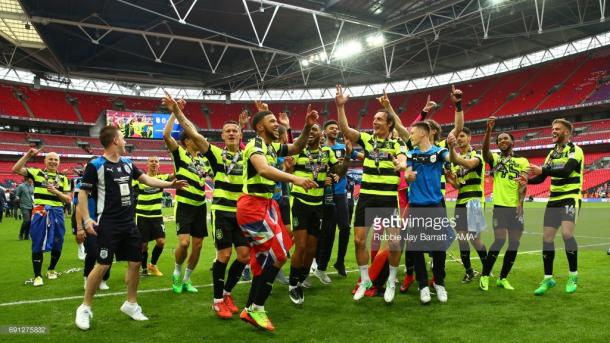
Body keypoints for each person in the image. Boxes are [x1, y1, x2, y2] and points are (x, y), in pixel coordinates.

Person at [74, 125, 187, 330]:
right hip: (108, 224)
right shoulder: (96, 165)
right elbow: (83, 194)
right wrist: (87, 220)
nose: (126, 141)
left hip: (129, 224)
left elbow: (145, 179)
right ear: (115, 141)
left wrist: (170, 185)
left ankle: (131, 304)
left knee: (135, 264)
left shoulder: (127, 163)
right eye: (123, 138)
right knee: (102, 266)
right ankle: (84, 307)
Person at [163, 92, 249, 320]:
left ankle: (227, 293)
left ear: (240, 134)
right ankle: (217, 300)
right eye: (227, 131)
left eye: (235, 131)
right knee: (224, 255)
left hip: (241, 212)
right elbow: (191, 132)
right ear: (221, 135)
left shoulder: (248, 154)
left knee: (244, 256)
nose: (231, 133)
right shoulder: (215, 154)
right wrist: (177, 111)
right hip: (221, 211)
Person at [237, 104, 318, 331]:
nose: (278, 124)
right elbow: (263, 170)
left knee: (271, 257)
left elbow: (297, 146)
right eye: (273, 121)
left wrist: (308, 125)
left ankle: (250, 308)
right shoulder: (255, 145)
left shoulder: (272, 147)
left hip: (267, 205)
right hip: (253, 206)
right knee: (279, 254)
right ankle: (256, 308)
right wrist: (296, 179)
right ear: (260, 126)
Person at [335, 85, 408, 303]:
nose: (374, 121)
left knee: (394, 242)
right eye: (374, 118)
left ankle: (391, 281)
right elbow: (346, 130)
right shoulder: (367, 140)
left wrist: (400, 164)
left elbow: (403, 160)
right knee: (358, 241)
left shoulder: (397, 143)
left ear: (389, 124)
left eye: (379, 119)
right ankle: (366, 280)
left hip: (387, 198)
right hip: (366, 196)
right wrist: (340, 107)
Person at [285, 122, 348, 304]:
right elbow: (287, 172)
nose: (311, 133)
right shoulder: (297, 151)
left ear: (321, 135)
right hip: (300, 203)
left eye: (314, 130)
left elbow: (339, 171)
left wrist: (347, 158)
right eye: (308, 130)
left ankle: (303, 275)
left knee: (313, 248)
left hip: (318, 205)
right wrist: (289, 168)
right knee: (302, 246)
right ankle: (293, 283)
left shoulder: (327, 153)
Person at [527, 119, 584, 295]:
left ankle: (573, 275)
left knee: (567, 234)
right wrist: (526, 180)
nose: (553, 131)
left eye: (557, 129)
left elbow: (566, 171)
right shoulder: (551, 154)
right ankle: (548, 278)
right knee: (547, 239)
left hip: (570, 198)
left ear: (567, 132)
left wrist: (543, 171)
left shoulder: (575, 150)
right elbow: (542, 177)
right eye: (552, 128)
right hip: (554, 199)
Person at [163, 103, 212, 294]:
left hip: (200, 205)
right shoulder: (180, 155)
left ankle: (187, 279)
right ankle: (176, 272)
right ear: (187, 141)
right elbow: (167, 136)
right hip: (184, 205)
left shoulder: (205, 160)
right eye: (193, 137)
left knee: (198, 246)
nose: (197, 140)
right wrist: (174, 113)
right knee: (184, 243)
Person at [404, 122, 453, 304]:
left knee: (439, 247)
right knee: (416, 247)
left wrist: (453, 148)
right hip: (416, 205)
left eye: (413, 133)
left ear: (423, 134)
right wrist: (408, 175)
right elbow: (407, 172)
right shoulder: (411, 154)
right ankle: (423, 285)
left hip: (435, 205)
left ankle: (439, 283)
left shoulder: (439, 152)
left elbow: (451, 159)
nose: (411, 136)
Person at [480, 116, 529, 291]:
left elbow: (524, 184)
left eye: (505, 138)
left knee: (514, 243)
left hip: (516, 208)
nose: (502, 141)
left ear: (512, 142)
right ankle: (485, 275)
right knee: (499, 240)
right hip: (500, 207)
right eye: (499, 139)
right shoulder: (494, 159)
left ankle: (503, 278)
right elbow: (485, 153)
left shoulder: (522, 161)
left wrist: (521, 204)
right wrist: (488, 131)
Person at [12, 149, 71, 287]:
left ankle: (51, 269)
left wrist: (55, 191)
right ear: (45, 161)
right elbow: (16, 169)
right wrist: (27, 155)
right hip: (40, 211)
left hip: (57, 212)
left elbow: (68, 199)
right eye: (50, 159)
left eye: (56, 159)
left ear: (59, 162)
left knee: (58, 241)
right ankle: (37, 276)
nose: (53, 162)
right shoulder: (37, 173)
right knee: (37, 242)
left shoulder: (63, 178)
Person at [446, 127, 488, 283]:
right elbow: (458, 185)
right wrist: (450, 179)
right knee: (462, 238)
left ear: (470, 138)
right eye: (458, 137)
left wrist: (452, 152)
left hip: (474, 202)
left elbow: (470, 165)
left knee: (475, 239)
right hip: (460, 201)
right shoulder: (457, 162)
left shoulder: (477, 156)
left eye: (462, 136)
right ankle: (469, 271)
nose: (460, 139)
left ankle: (487, 269)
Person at [315, 121, 356, 278]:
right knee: (327, 231)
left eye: (336, 128)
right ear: (324, 132)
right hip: (326, 195)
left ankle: (340, 261)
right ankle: (319, 262)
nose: (335, 130)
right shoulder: (321, 150)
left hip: (341, 194)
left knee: (345, 228)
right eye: (331, 128)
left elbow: (360, 156)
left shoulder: (343, 147)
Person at [132, 156, 173, 277]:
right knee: (143, 245)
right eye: (151, 161)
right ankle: (143, 268)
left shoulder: (162, 178)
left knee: (161, 242)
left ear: (159, 165)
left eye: (156, 161)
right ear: (147, 164)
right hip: (142, 215)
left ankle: (153, 265)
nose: (154, 163)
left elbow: (174, 175)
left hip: (156, 215)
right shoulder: (138, 179)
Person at [71, 164, 87, 260]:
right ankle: (81, 247)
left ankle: (88, 250)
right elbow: (76, 201)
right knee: (78, 234)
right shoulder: (79, 182)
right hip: (79, 210)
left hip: (94, 212)